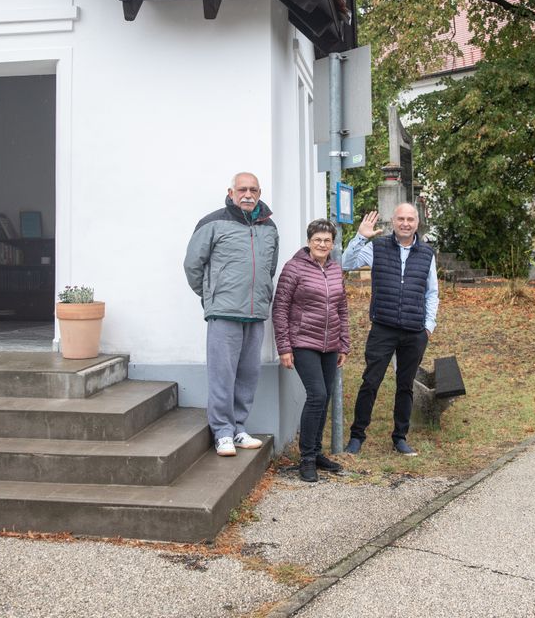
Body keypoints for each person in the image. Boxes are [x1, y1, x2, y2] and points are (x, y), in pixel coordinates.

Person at [183, 172, 279, 458]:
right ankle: (222, 432)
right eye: (242, 190)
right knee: (222, 375)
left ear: (259, 193)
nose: (247, 195)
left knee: (248, 374)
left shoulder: (269, 226)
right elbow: (192, 265)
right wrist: (210, 295)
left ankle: (238, 427)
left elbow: (269, 267)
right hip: (223, 311)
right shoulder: (212, 223)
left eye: (253, 190)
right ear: (231, 192)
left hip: (255, 312)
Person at [341, 203, 438, 457]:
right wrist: (361, 236)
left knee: (405, 385)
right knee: (370, 381)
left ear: (417, 222)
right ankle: (356, 436)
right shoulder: (377, 247)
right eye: (400, 219)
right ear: (392, 222)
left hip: (414, 331)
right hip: (383, 327)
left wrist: (428, 326)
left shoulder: (427, 254)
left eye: (410, 219)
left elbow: (432, 293)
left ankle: (400, 437)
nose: (405, 223)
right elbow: (346, 262)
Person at [272, 219, 350, 483]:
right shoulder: (294, 268)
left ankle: (316, 453)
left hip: (330, 344)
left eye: (327, 240)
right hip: (303, 342)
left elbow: (342, 310)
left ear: (333, 243)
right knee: (316, 395)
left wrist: (344, 344)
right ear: (309, 241)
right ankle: (305, 458)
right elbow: (280, 308)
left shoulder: (336, 270)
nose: (322, 244)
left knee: (325, 396)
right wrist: (284, 346)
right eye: (317, 239)